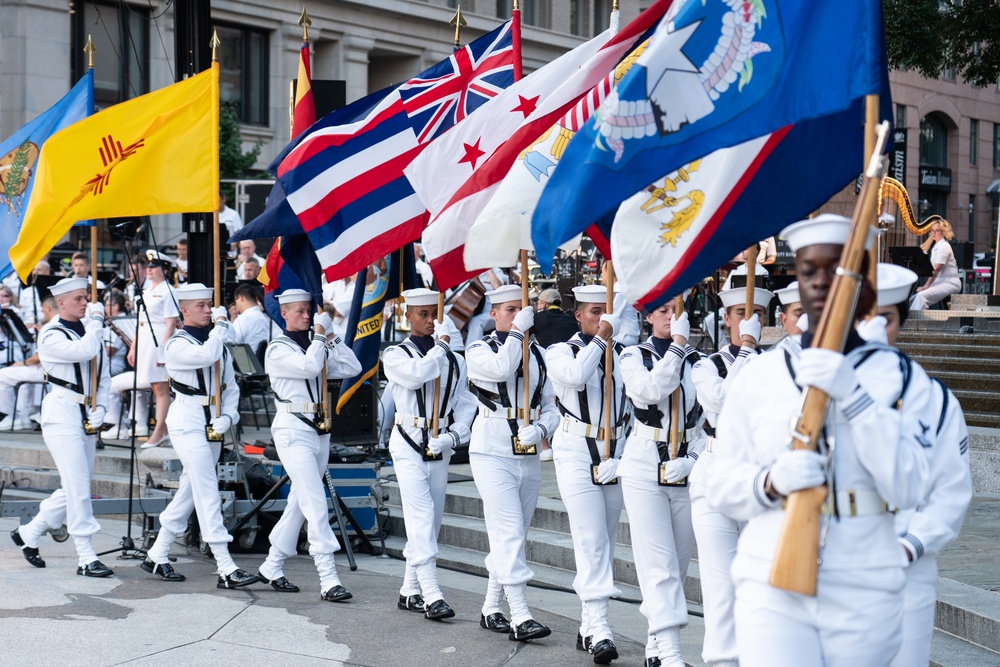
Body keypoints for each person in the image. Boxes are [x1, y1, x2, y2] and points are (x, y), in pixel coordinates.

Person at [708, 214, 936, 667]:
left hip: (864, 575)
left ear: (862, 284)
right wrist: (771, 482)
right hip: (772, 571)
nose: (819, 283)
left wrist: (855, 399)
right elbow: (721, 484)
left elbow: (911, 486)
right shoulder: (761, 376)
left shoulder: (903, 381)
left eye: (835, 271)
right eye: (809, 271)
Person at [860, 264, 974, 667]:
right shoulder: (816, 390)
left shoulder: (933, 399)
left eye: (885, 319)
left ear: (900, 323)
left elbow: (952, 490)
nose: (873, 330)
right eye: (864, 317)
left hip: (908, 568)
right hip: (836, 565)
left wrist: (911, 545)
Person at [140, 283, 258, 589]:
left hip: (214, 423)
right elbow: (205, 356)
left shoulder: (217, 343)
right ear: (185, 311)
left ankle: (158, 553)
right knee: (207, 488)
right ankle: (226, 566)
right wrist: (221, 327)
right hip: (187, 422)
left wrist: (228, 417)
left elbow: (231, 386)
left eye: (210, 305)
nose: (208, 310)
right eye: (202, 306)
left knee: (191, 489)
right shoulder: (175, 345)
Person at [465, 285, 558, 642]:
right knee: (508, 532)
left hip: (527, 451)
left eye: (522, 309)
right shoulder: (479, 348)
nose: (517, 314)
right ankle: (520, 614)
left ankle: (491, 607)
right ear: (494, 314)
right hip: (491, 450)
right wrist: (518, 331)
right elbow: (501, 369)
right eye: (509, 309)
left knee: (513, 534)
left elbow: (551, 404)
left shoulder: (539, 354)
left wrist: (541, 428)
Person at [258, 289, 363, 601]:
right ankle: (328, 577)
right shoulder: (277, 349)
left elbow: (352, 368)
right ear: (285, 314)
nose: (307, 316)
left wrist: (330, 335)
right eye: (300, 311)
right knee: (315, 501)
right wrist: (318, 336)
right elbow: (308, 368)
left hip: (320, 430)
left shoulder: (315, 344)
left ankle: (272, 565)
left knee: (299, 503)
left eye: (309, 311)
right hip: (293, 429)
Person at [546, 284, 632, 664]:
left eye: (607, 311)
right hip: (576, 450)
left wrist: (625, 455)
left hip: (615, 452)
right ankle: (599, 628)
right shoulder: (560, 351)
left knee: (605, 541)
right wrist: (603, 339)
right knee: (592, 537)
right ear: (579, 314)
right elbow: (575, 378)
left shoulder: (627, 354)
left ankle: (587, 624)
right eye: (595, 311)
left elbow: (637, 406)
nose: (602, 318)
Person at [688, 283, 772, 667]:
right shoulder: (708, 364)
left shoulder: (778, 366)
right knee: (721, 588)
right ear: (726, 319)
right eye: (741, 314)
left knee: (760, 589)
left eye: (757, 314)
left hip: (761, 481)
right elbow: (722, 401)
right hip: (716, 472)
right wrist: (749, 350)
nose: (749, 320)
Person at [619, 295, 705, 667]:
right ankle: (670, 654)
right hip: (643, 466)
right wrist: (679, 347)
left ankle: (656, 644)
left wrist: (692, 458)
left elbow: (708, 420)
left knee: (679, 564)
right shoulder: (631, 356)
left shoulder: (700, 363)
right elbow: (653, 390)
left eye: (677, 310)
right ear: (649, 316)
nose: (671, 317)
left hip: (684, 467)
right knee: (660, 565)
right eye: (664, 311)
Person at [381, 288, 476, 620]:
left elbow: (466, 402)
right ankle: (432, 593)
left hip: (439, 444)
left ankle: (409, 589)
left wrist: (454, 435)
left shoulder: (454, 358)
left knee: (431, 520)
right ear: (408, 316)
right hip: (407, 440)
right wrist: (442, 347)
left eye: (434, 314)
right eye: (422, 314)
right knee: (421, 516)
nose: (430, 320)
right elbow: (418, 374)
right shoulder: (395, 354)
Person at [9, 278, 112, 576]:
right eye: (79, 298)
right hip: (62, 412)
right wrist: (95, 323)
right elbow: (84, 351)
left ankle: (30, 532)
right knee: (79, 487)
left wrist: (102, 407)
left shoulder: (91, 331)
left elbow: (102, 378)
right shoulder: (52, 335)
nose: (86, 303)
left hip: (87, 413)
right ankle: (85, 555)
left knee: (75, 485)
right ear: (62, 303)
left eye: (86, 298)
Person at [128, 251, 178, 448]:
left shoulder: (168, 290)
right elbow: (139, 321)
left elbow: (171, 322)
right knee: (153, 386)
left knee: (160, 388)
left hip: (158, 338)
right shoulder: (147, 290)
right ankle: (163, 429)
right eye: (147, 267)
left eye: (154, 266)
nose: (149, 270)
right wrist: (133, 347)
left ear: (164, 269)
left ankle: (158, 432)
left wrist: (162, 349)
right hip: (145, 340)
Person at [0, 296, 56, 430]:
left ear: (48, 309)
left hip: (49, 370)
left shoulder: (51, 326)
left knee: (2, 375)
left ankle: (13, 416)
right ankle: (22, 416)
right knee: (17, 376)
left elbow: (39, 356)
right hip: (52, 369)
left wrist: (24, 363)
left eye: (43, 311)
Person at [910, 217, 961, 310]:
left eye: (937, 231)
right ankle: (904, 321)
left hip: (950, 283)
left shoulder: (944, 246)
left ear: (944, 232)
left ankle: (913, 324)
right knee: (912, 300)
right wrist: (920, 254)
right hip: (938, 283)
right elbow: (927, 267)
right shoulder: (936, 247)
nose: (934, 233)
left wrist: (926, 286)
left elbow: (936, 270)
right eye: (932, 230)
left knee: (921, 297)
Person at [229, 284, 270, 353]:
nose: (236, 305)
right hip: (260, 361)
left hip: (245, 361)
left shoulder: (244, 318)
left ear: (241, 298)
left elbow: (231, 341)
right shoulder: (264, 317)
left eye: (235, 301)